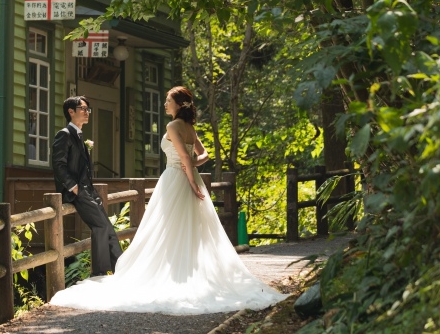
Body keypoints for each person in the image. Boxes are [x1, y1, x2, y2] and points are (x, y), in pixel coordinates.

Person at [49, 86, 286, 314]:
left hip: (176, 179)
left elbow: (184, 155)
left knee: (166, 227)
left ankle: (171, 274)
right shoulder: (190, 127)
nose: (164, 104)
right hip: (185, 177)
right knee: (187, 228)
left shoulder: (173, 125)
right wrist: (192, 170)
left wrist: (190, 178)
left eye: (168, 100)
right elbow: (203, 155)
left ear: (178, 105)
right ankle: (181, 272)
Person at [52, 95, 123, 276]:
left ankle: (119, 270)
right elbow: (58, 165)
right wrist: (73, 187)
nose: (87, 112)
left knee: (106, 226)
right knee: (100, 225)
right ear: (71, 111)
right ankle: (103, 272)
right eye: (83, 108)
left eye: (87, 109)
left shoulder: (79, 135)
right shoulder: (64, 134)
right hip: (76, 191)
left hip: (88, 189)